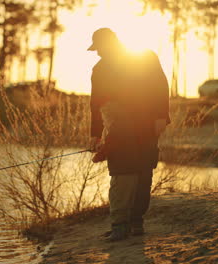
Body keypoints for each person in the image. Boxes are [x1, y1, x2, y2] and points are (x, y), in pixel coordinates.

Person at [88, 28, 170, 241]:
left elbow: (161, 86)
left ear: (110, 44)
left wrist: (162, 116)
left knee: (144, 173)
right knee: (122, 174)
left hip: (147, 125)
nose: (97, 53)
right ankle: (119, 225)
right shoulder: (99, 69)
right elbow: (95, 103)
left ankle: (135, 222)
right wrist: (95, 134)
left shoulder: (145, 57)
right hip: (118, 128)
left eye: (99, 48)